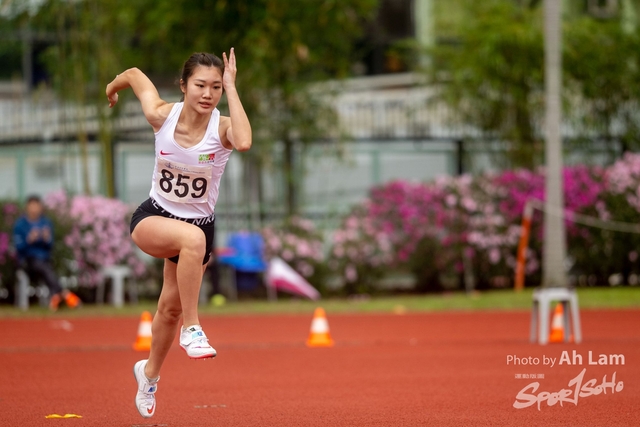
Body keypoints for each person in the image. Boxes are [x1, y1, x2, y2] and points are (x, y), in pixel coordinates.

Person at [105, 48, 251, 419]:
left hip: (199, 226)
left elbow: (244, 141)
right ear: (184, 85)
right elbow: (135, 73)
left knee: (168, 309)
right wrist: (112, 87)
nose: (208, 94)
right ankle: (194, 327)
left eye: (216, 87)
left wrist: (233, 87)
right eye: (200, 85)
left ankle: (149, 374)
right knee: (192, 239)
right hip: (155, 218)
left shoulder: (221, 129)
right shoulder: (161, 116)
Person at [12, 195, 81, 311]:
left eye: (36, 206)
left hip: (45, 260)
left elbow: (50, 246)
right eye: (32, 206)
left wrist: (46, 239)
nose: (34, 209)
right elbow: (18, 248)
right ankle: (63, 294)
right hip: (27, 262)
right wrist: (29, 240)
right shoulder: (20, 224)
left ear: (40, 208)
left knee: (44, 267)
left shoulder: (46, 223)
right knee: (41, 266)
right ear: (27, 207)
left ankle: (56, 296)